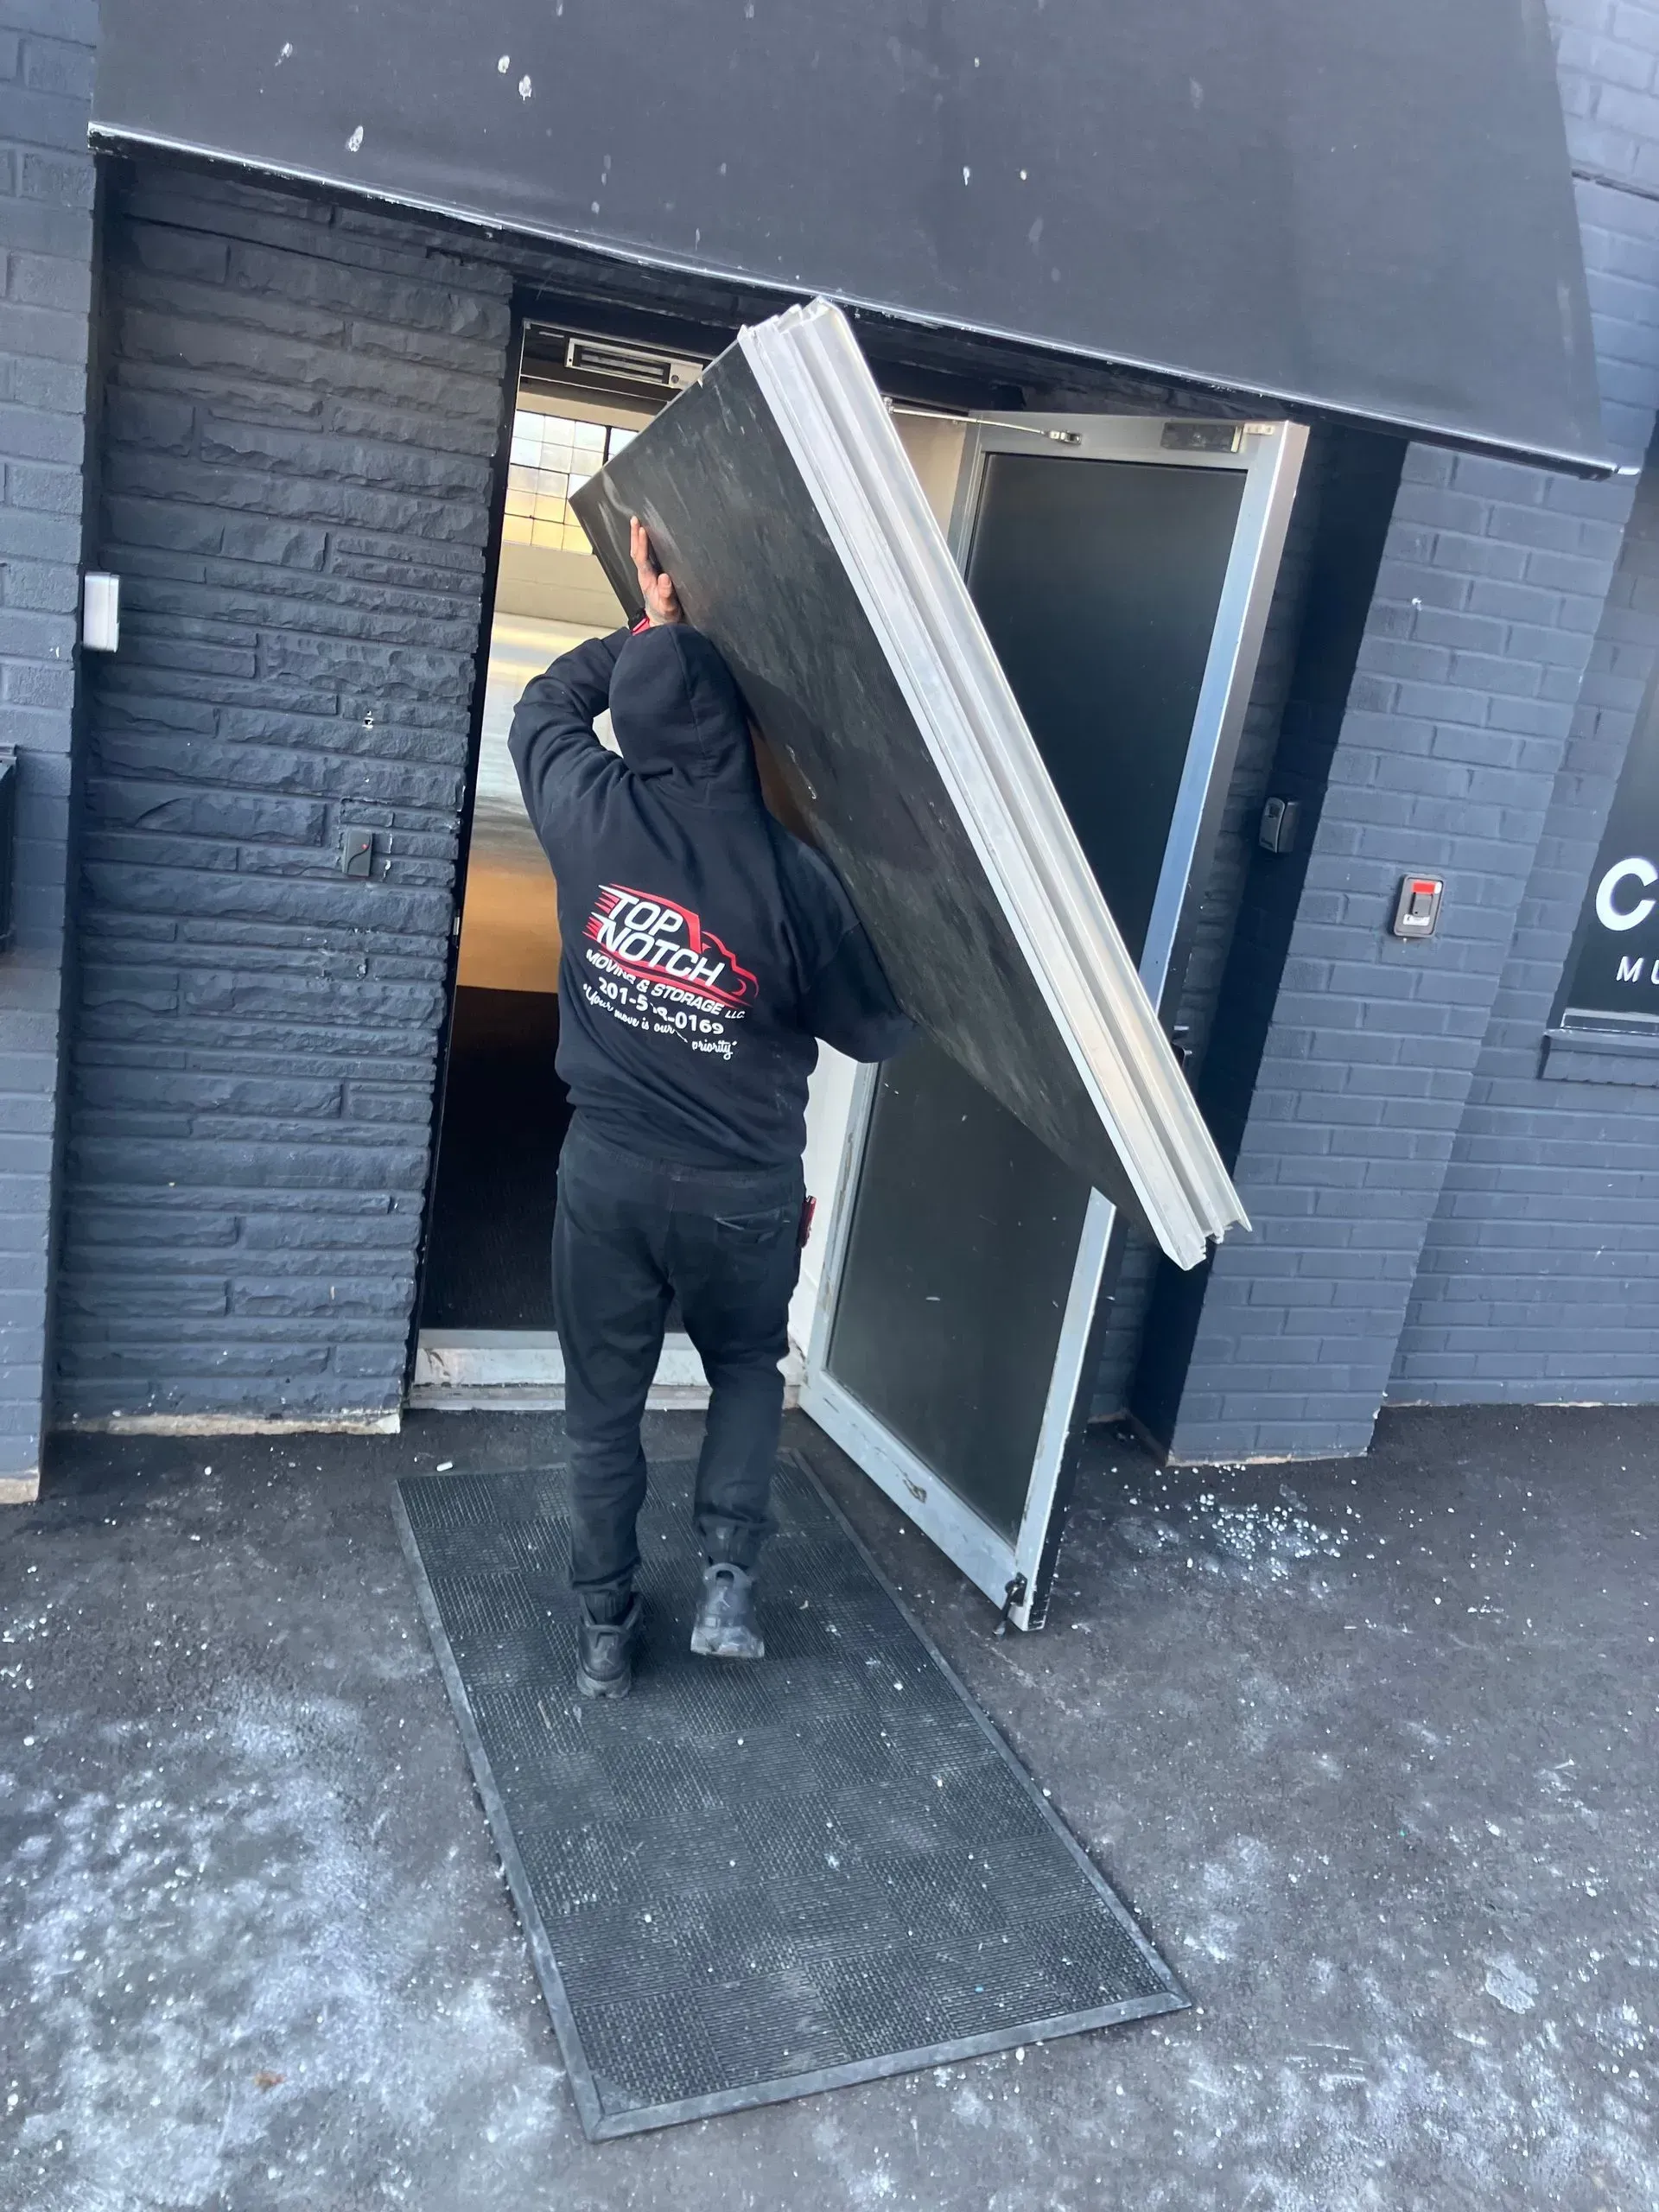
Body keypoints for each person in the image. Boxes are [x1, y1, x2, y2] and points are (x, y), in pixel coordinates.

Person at [509, 519, 914, 1700]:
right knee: (743, 1365)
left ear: (629, 733)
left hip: (608, 1181)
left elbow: (541, 705)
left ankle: (603, 1631)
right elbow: (875, 1032)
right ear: (744, 730)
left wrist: (646, 627)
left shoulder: (585, 809)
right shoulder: (798, 877)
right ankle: (729, 1579)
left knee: (603, 1410)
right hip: (741, 1190)